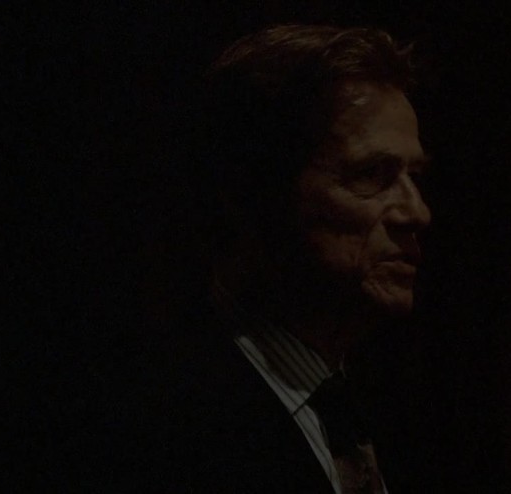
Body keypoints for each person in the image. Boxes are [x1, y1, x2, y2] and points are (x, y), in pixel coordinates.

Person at [116, 24, 431, 493]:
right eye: (371, 174)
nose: (418, 212)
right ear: (253, 192)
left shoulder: (392, 413)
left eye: (414, 177)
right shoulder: (150, 421)